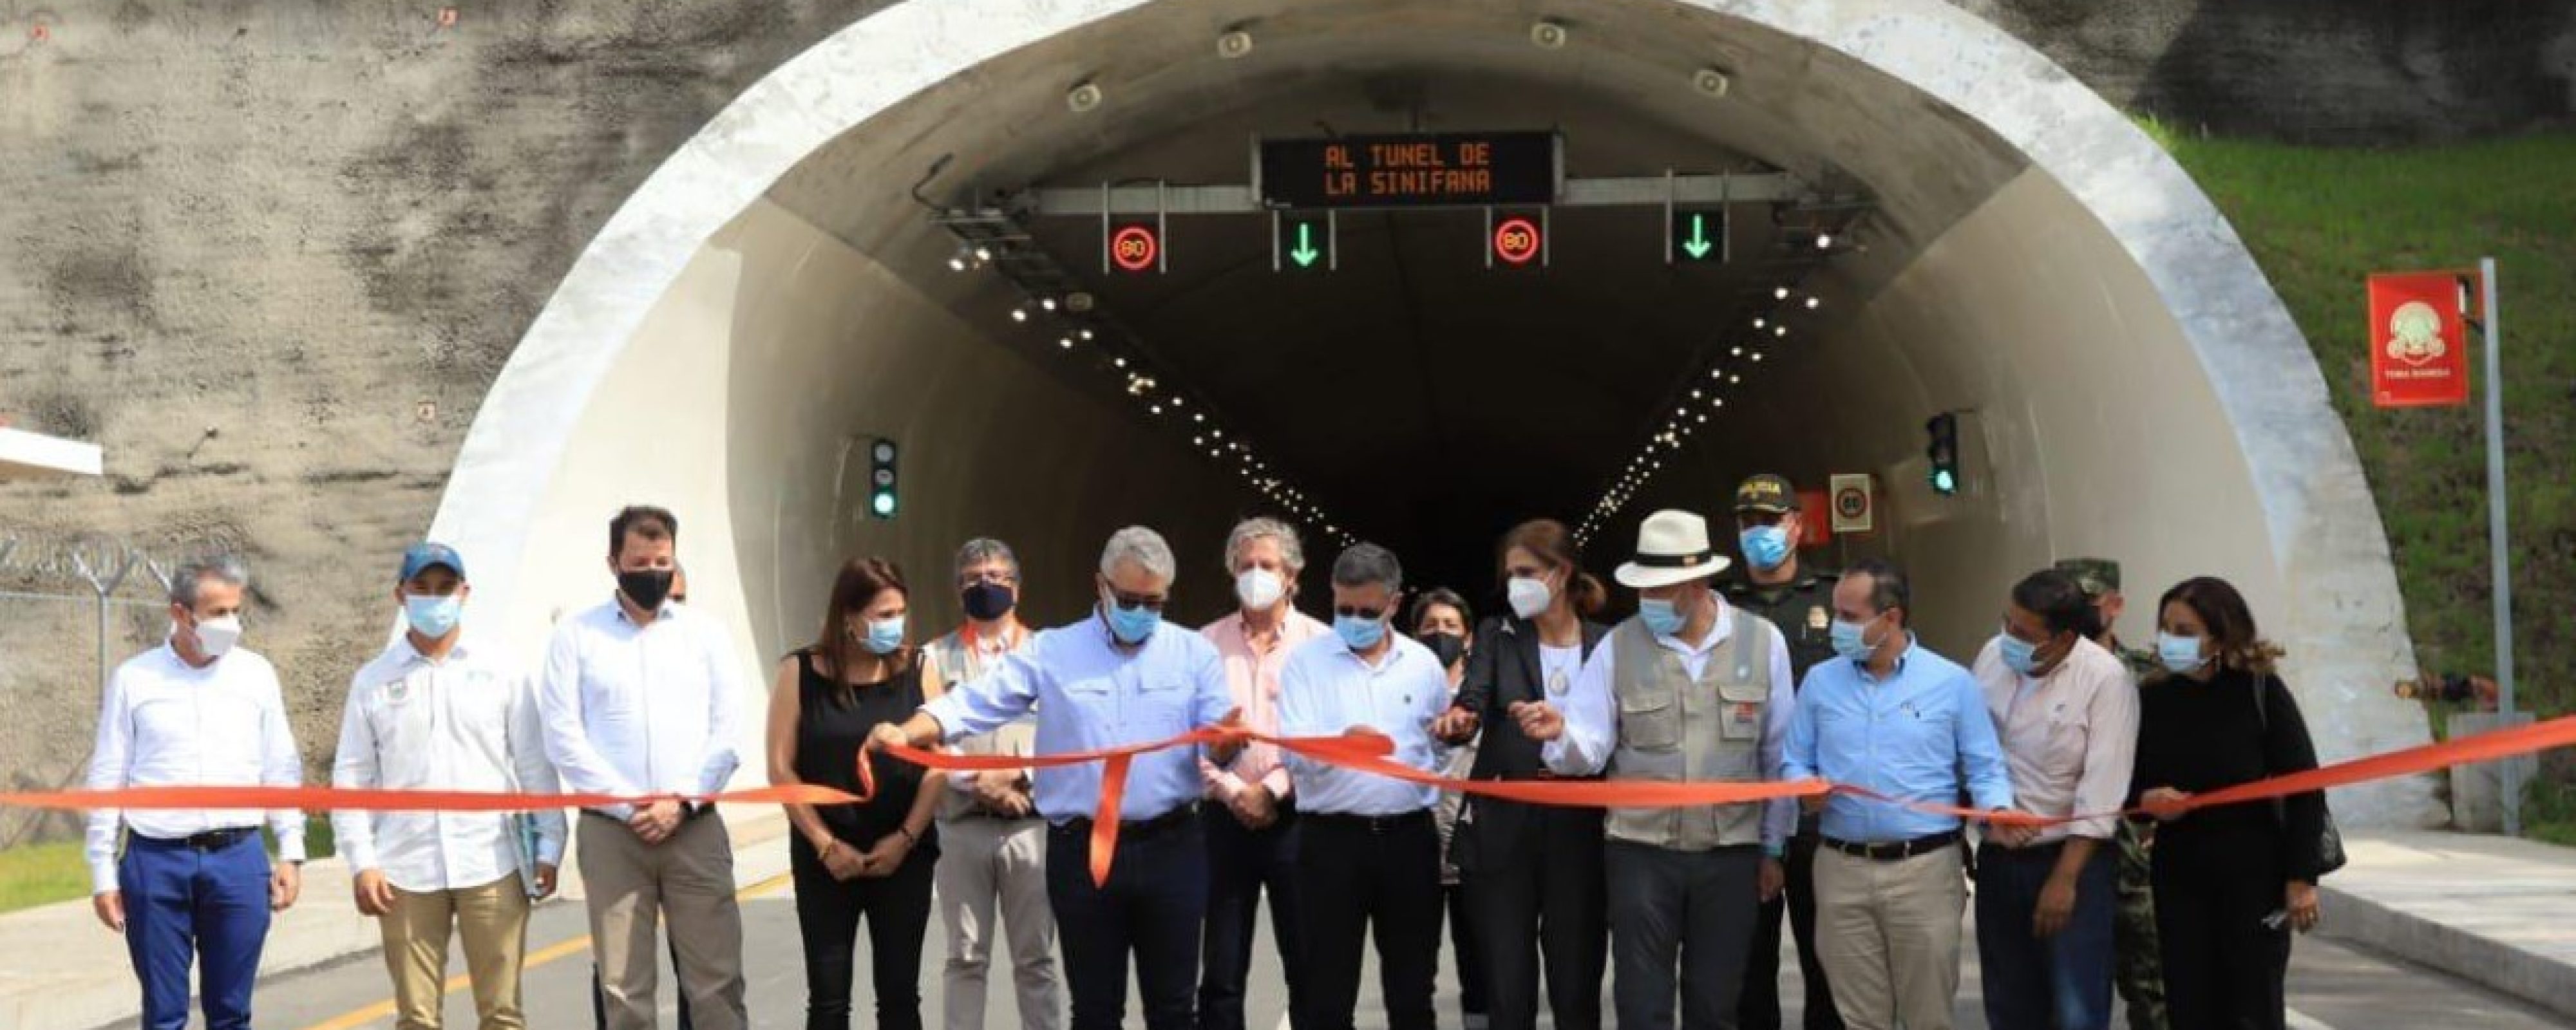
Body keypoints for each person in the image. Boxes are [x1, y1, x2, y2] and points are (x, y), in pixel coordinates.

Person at [871, 527, 1245, 1030]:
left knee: (1174, 1008)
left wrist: (1225, 744)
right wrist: (908, 730)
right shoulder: (1053, 652)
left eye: (1153, 603)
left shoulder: (1193, 654)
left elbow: (1217, 735)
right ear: (1101, 586)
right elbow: (975, 703)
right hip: (1082, 851)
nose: (1140, 613)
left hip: (1171, 848)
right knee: (1093, 1008)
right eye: (1129, 599)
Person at [1520, 509, 1798, 1030]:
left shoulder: (1763, 644)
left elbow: (1778, 756)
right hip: (1641, 854)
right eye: (1643, 590)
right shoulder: (1617, 647)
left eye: (1659, 590)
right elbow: (1590, 747)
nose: (1647, 601)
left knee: (1716, 1003)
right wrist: (1558, 735)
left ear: (1697, 583)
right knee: (1642, 1003)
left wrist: (1773, 847)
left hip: (1730, 855)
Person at [332, 543, 566, 1030]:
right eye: (422, 588)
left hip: (492, 860)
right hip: (406, 868)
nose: (434, 599)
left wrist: (550, 843)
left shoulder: (501, 669)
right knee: (417, 1017)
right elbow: (352, 777)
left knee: (502, 1013)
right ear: (401, 594)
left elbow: (533, 763)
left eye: (445, 588)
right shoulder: (373, 680)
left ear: (464, 593)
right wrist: (363, 862)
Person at [1781, 559, 2014, 1030]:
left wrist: (1999, 812)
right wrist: (1805, 787)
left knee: (1927, 1014)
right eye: (1836, 613)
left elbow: (1986, 766)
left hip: (1924, 871)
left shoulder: (1951, 684)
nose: (1836, 627)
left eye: (1849, 617)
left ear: (1891, 617)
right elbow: (1794, 758)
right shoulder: (1821, 683)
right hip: (1841, 868)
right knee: (1860, 1017)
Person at [538, 506, 748, 1030]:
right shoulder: (576, 637)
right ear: (613, 562)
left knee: (716, 982)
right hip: (614, 835)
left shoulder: (706, 635)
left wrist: (681, 801)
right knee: (624, 988)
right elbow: (564, 737)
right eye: (640, 561)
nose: (652, 571)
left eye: (662, 561)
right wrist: (630, 804)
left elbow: (726, 732)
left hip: (694, 828)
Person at [84, 556, 306, 1030]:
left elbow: (280, 766)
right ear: (181, 613)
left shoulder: (256, 675)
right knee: (164, 1015)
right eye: (217, 612)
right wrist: (103, 872)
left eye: (235, 611)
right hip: (157, 864)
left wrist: (291, 851)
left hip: (238, 860)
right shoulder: (135, 679)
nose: (231, 624)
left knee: (230, 1012)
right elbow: (108, 776)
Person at [1429, 519, 1611, 1030]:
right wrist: (1459, 722)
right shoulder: (1497, 634)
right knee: (1508, 984)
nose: (1515, 585)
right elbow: (1473, 700)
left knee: (1576, 979)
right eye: (1509, 575)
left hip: (1579, 828)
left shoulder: (1606, 643)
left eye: (1526, 572)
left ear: (1561, 572)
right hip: (1504, 825)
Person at [2131, 577, 2329, 1030]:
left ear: (2219, 638)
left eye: (2185, 631)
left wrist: (2302, 878)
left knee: (2251, 1008)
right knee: (2189, 1005)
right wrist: (2147, 800)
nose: (2171, 641)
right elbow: (2128, 785)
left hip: (2253, 875)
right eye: (2166, 628)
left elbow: (2306, 786)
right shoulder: (2152, 698)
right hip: (2180, 874)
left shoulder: (2259, 692)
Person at [1276, 543, 1453, 1030]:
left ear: (1394, 604)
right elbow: (1292, 751)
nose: (1354, 619)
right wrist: (1339, 748)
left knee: (1413, 989)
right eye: (1343, 609)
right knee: (1326, 992)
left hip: (1408, 841)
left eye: (1367, 611)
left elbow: (1437, 753)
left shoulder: (1423, 666)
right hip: (1331, 842)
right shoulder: (1305, 665)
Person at [768, 557, 945, 1029]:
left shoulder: (920, 669)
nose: (895, 626)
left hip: (902, 857)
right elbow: (781, 768)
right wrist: (824, 844)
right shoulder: (800, 672)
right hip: (827, 861)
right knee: (828, 1000)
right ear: (848, 616)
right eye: (883, 615)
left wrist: (906, 838)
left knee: (900, 996)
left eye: (900, 613)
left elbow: (938, 765)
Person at [1969, 570, 2139, 1030]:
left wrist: (2065, 880)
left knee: (2075, 1009)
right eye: (2007, 623)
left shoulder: (2104, 679)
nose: (2009, 638)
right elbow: (1972, 751)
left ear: (2064, 637)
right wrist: (1986, 824)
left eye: (2024, 633)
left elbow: (2102, 787)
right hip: (2000, 859)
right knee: (2009, 1004)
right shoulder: (1991, 658)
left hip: (2070, 863)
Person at [925, 539, 1063, 1030]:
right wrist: (978, 781)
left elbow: (1069, 736)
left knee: (1035, 959)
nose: (986, 586)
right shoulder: (934, 658)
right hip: (963, 825)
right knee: (965, 956)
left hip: (1032, 824)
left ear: (1017, 588)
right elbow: (930, 734)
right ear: (959, 589)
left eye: (997, 577)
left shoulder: (1050, 654)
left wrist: (1019, 776)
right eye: (974, 579)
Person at [1723, 475, 1844, 1030]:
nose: (1760, 532)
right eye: (1750, 522)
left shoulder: (1834, 600)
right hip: (1747, 808)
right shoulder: (1720, 606)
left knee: (1830, 964)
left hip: (1821, 811)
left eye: (1771, 521)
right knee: (1748, 964)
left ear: (1797, 525)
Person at [1197, 518, 1327, 1030]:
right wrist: (1234, 792)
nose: (1256, 575)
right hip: (1223, 820)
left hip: (1297, 817)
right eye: (1246, 565)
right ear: (1232, 571)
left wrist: (1272, 790)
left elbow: (1323, 737)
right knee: (1223, 967)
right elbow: (1191, 737)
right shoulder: (1204, 644)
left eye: (1267, 566)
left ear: (1292, 575)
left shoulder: (1320, 644)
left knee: (1306, 958)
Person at [2055, 557, 2166, 1030]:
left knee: (2154, 995)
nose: (2075, 613)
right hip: (2064, 865)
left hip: (2137, 868)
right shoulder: (2039, 674)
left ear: (2115, 605)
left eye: (2086, 601)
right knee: (2068, 1001)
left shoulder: (2151, 678)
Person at [1412, 587, 1487, 1030]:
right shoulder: (1399, 692)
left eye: (1450, 627)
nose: (1440, 634)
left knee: (1480, 969)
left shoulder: (1484, 695)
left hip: (1473, 853)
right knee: (1414, 972)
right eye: (1430, 627)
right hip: (1415, 852)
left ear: (1469, 638)